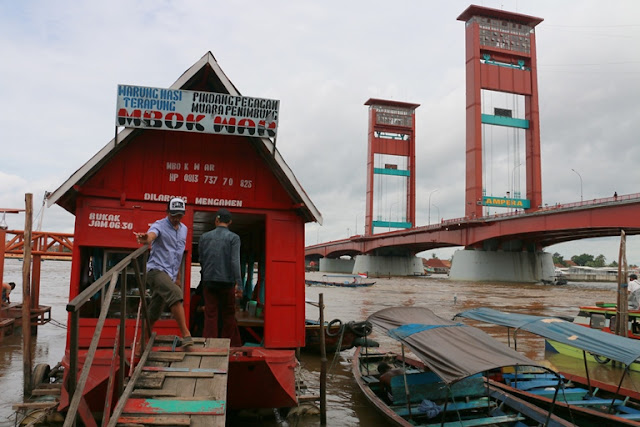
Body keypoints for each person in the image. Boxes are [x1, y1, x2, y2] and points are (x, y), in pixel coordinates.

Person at [134, 197, 193, 348]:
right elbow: (151, 235)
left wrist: (178, 276)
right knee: (175, 294)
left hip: (170, 274)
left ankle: (141, 343)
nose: (176, 218)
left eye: (179, 215)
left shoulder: (184, 230)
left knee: (155, 309)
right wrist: (146, 238)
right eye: (173, 215)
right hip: (156, 270)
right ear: (167, 212)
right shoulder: (159, 225)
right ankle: (186, 334)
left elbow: (178, 255)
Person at [198, 208, 242, 346]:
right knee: (228, 313)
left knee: (210, 314)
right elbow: (235, 261)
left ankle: (209, 343)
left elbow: (201, 259)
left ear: (216, 220)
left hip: (209, 281)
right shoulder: (234, 238)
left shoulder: (204, 237)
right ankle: (225, 343)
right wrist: (239, 284)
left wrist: (206, 276)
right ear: (230, 222)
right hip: (227, 282)